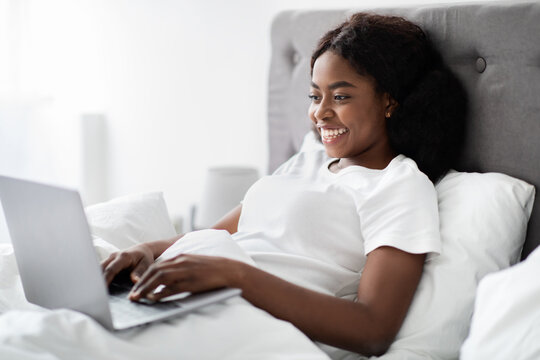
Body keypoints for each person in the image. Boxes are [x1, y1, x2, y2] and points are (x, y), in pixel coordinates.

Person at [101, 13, 467, 357]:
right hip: (190, 299)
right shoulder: (307, 160)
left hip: (246, 321)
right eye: (314, 96)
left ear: (388, 101)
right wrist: (147, 250)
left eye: (340, 96)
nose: (320, 112)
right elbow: (216, 235)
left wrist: (236, 277)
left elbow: (373, 329)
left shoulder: (399, 184)